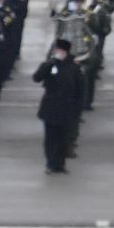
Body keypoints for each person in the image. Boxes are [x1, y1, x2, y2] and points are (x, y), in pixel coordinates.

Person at [34, 39, 85, 175]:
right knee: (50, 138)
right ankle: (50, 163)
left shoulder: (74, 67)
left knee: (63, 138)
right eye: (56, 50)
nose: (58, 53)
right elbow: (37, 77)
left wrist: (78, 109)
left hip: (67, 108)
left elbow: (80, 89)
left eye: (60, 51)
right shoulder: (49, 64)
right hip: (51, 106)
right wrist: (49, 63)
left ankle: (60, 164)